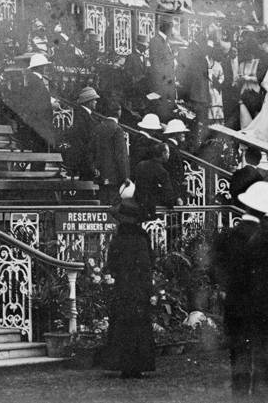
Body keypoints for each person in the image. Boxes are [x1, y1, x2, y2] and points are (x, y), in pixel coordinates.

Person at [213, 181, 268, 401]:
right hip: (266, 306)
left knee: (239, 359)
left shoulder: (228, 236)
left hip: (237, 306)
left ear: (247, 206)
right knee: (264, 363)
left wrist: (225, 287)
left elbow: (216, 267)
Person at [102, 197, 156, 378]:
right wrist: (149, 289)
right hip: (139, 288)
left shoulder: (118, 239)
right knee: (139, 326)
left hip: (123, 287)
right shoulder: (142, 238)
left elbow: (111, 264)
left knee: (122, 327)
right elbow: (148, 264)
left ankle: (125, 366)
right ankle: (138, 365)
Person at [14, 53, 57, 166]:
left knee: (39, 153)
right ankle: (37, 177)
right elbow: (38, 104)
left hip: (38, 123)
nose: (45, 68)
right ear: (40, 67)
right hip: (40, 124)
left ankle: (37, 174)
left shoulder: (33, 80)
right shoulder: (35, 81)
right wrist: (51, 105)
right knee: (40, 153)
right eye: (44, 66)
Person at [92, 102, 131, 205]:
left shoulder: (98, 128)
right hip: (114, 176)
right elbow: (120, 155)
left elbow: (92, 151)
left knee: (102, 203)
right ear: (119, 112)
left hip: (100, 174)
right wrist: (125, 176)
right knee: (114, 206)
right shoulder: (117, 130)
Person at [63, 86, 100, 180]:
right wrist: (90, 164)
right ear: (89, 101)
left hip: (85, 161)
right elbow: (83, 142)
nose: (96, 102)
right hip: (84, 162)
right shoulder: (82, 117)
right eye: (95, 100)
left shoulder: (81, 114)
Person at [133, 136, 177, 212]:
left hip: (137, 203)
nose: (169, 155)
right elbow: (168, 194)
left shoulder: (141, 164)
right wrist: (171, 204)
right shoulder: (162, 172)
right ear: (163, 154)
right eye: (168, 153)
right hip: (152, 208)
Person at [149, 20, 178, 121]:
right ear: (168, 29)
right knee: (162, 111)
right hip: (162, 85)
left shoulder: (165, 41)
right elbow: (156, 64)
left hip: (166, 84)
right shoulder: (156, 41)